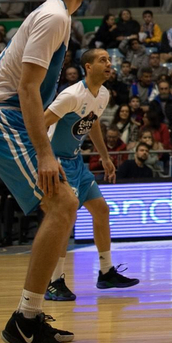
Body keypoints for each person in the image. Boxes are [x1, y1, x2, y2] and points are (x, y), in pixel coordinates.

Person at [0, 0, 102, 343]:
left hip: (9, 115)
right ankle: (25, 320)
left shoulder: (58, 15)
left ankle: (29, 314)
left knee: (65, 205)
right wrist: (46, 154)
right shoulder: (54, 17)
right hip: (3, 115)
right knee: (63, 203)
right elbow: (27, 88)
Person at [43, 47, 140, 301]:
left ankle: (106, 272)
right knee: (64, 220)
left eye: (109, 60)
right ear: (88, 67)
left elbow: (93, 122)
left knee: (101, 210)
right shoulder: (71, 95)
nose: (109, 64)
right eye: (102, 60)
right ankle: (53, 281)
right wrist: (46, 159)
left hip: (76, 161)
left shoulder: (103, 94)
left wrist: (105, 157)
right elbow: (41, 124)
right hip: (58, 163)